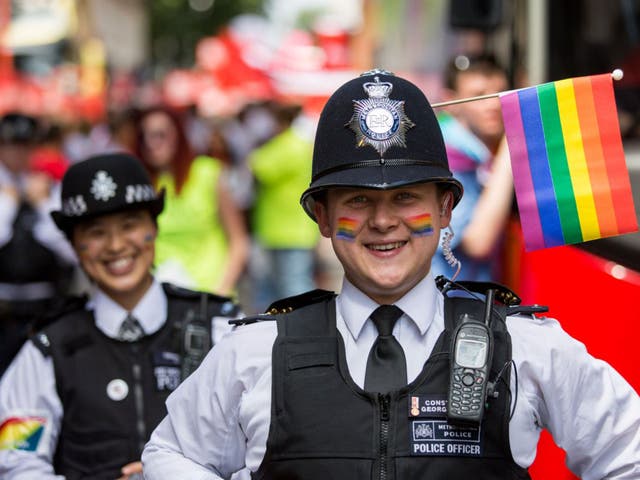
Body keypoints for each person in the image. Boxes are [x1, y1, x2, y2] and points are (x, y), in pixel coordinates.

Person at [141, 70, 640, 479]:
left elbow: (629, 452)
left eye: (406, 197)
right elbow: (170, 454)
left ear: (446, 208)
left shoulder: (525, 347)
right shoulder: (253, 354)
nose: (383, 221)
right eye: (358, 199)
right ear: (322, 215)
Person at [0, 153, 240, 479]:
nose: (115, 245)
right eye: (96, 232)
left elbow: (261, 447)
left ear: (154, 229)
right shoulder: (46, 349)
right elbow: (17, 463)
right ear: (74, 246)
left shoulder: (220, 329)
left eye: (129, 225)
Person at [135, 106, 249, 297]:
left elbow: (238, 241)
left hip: (210, 293)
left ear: (178, 136)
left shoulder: (208, 173)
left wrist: (221, 290)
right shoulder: (141, 185)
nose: (151, 143)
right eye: (144, 136)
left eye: (160, 135)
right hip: (163, 296)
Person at [0, 113, 77, 376]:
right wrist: (7, 205)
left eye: (24, 145)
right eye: (10, 145)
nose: (17, 154)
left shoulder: (49, 189)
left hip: (44, 310)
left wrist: (44, 205)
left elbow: (72, 251)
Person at [432, 54, 515, 282]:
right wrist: (511, 148)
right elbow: (478, 242)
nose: (494, 104)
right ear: (450, 103)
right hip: (453, 302)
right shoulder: (447, 155)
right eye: (479, 96)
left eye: (500, 93)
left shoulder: (475, 151)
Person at [248, 101, 319, 312]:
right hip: (288, 229)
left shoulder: (288, 145)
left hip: (287, 231)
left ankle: (307, 332)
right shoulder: (296, 143)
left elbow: (257, 167)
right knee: (283, 288)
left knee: (293, 288)